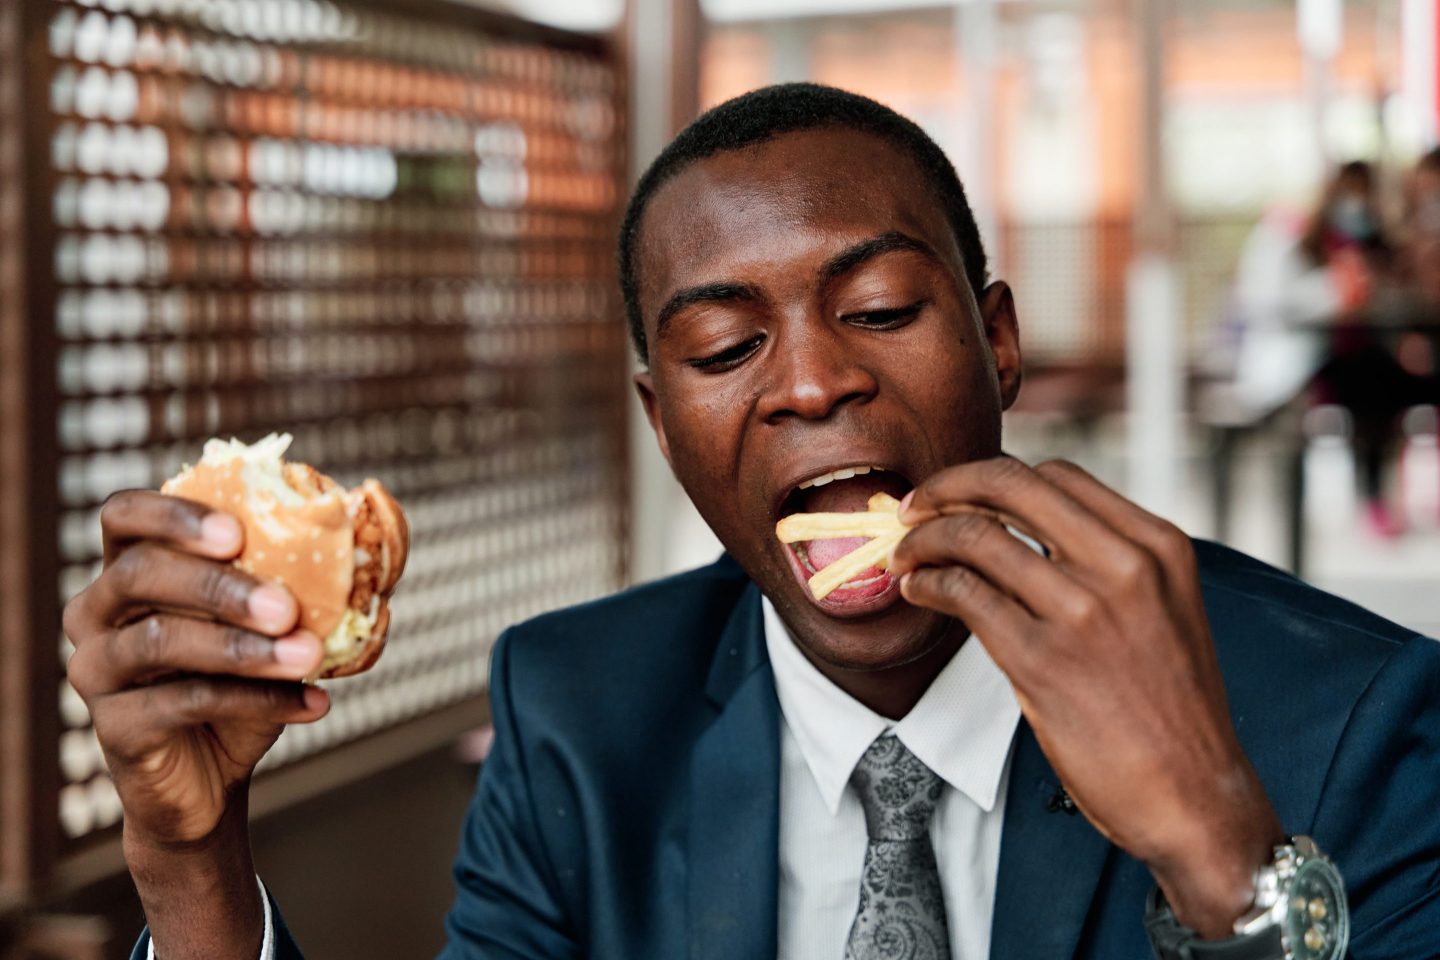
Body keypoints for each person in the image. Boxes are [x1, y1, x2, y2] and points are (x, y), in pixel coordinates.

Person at [62, 84, 1440, 960]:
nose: (813, 379)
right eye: (725, 346)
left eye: (884, 309)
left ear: (998, 343)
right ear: (666, 428)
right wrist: (192, 869)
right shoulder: (578, 717)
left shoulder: (1352, 709)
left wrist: (1218, 852)